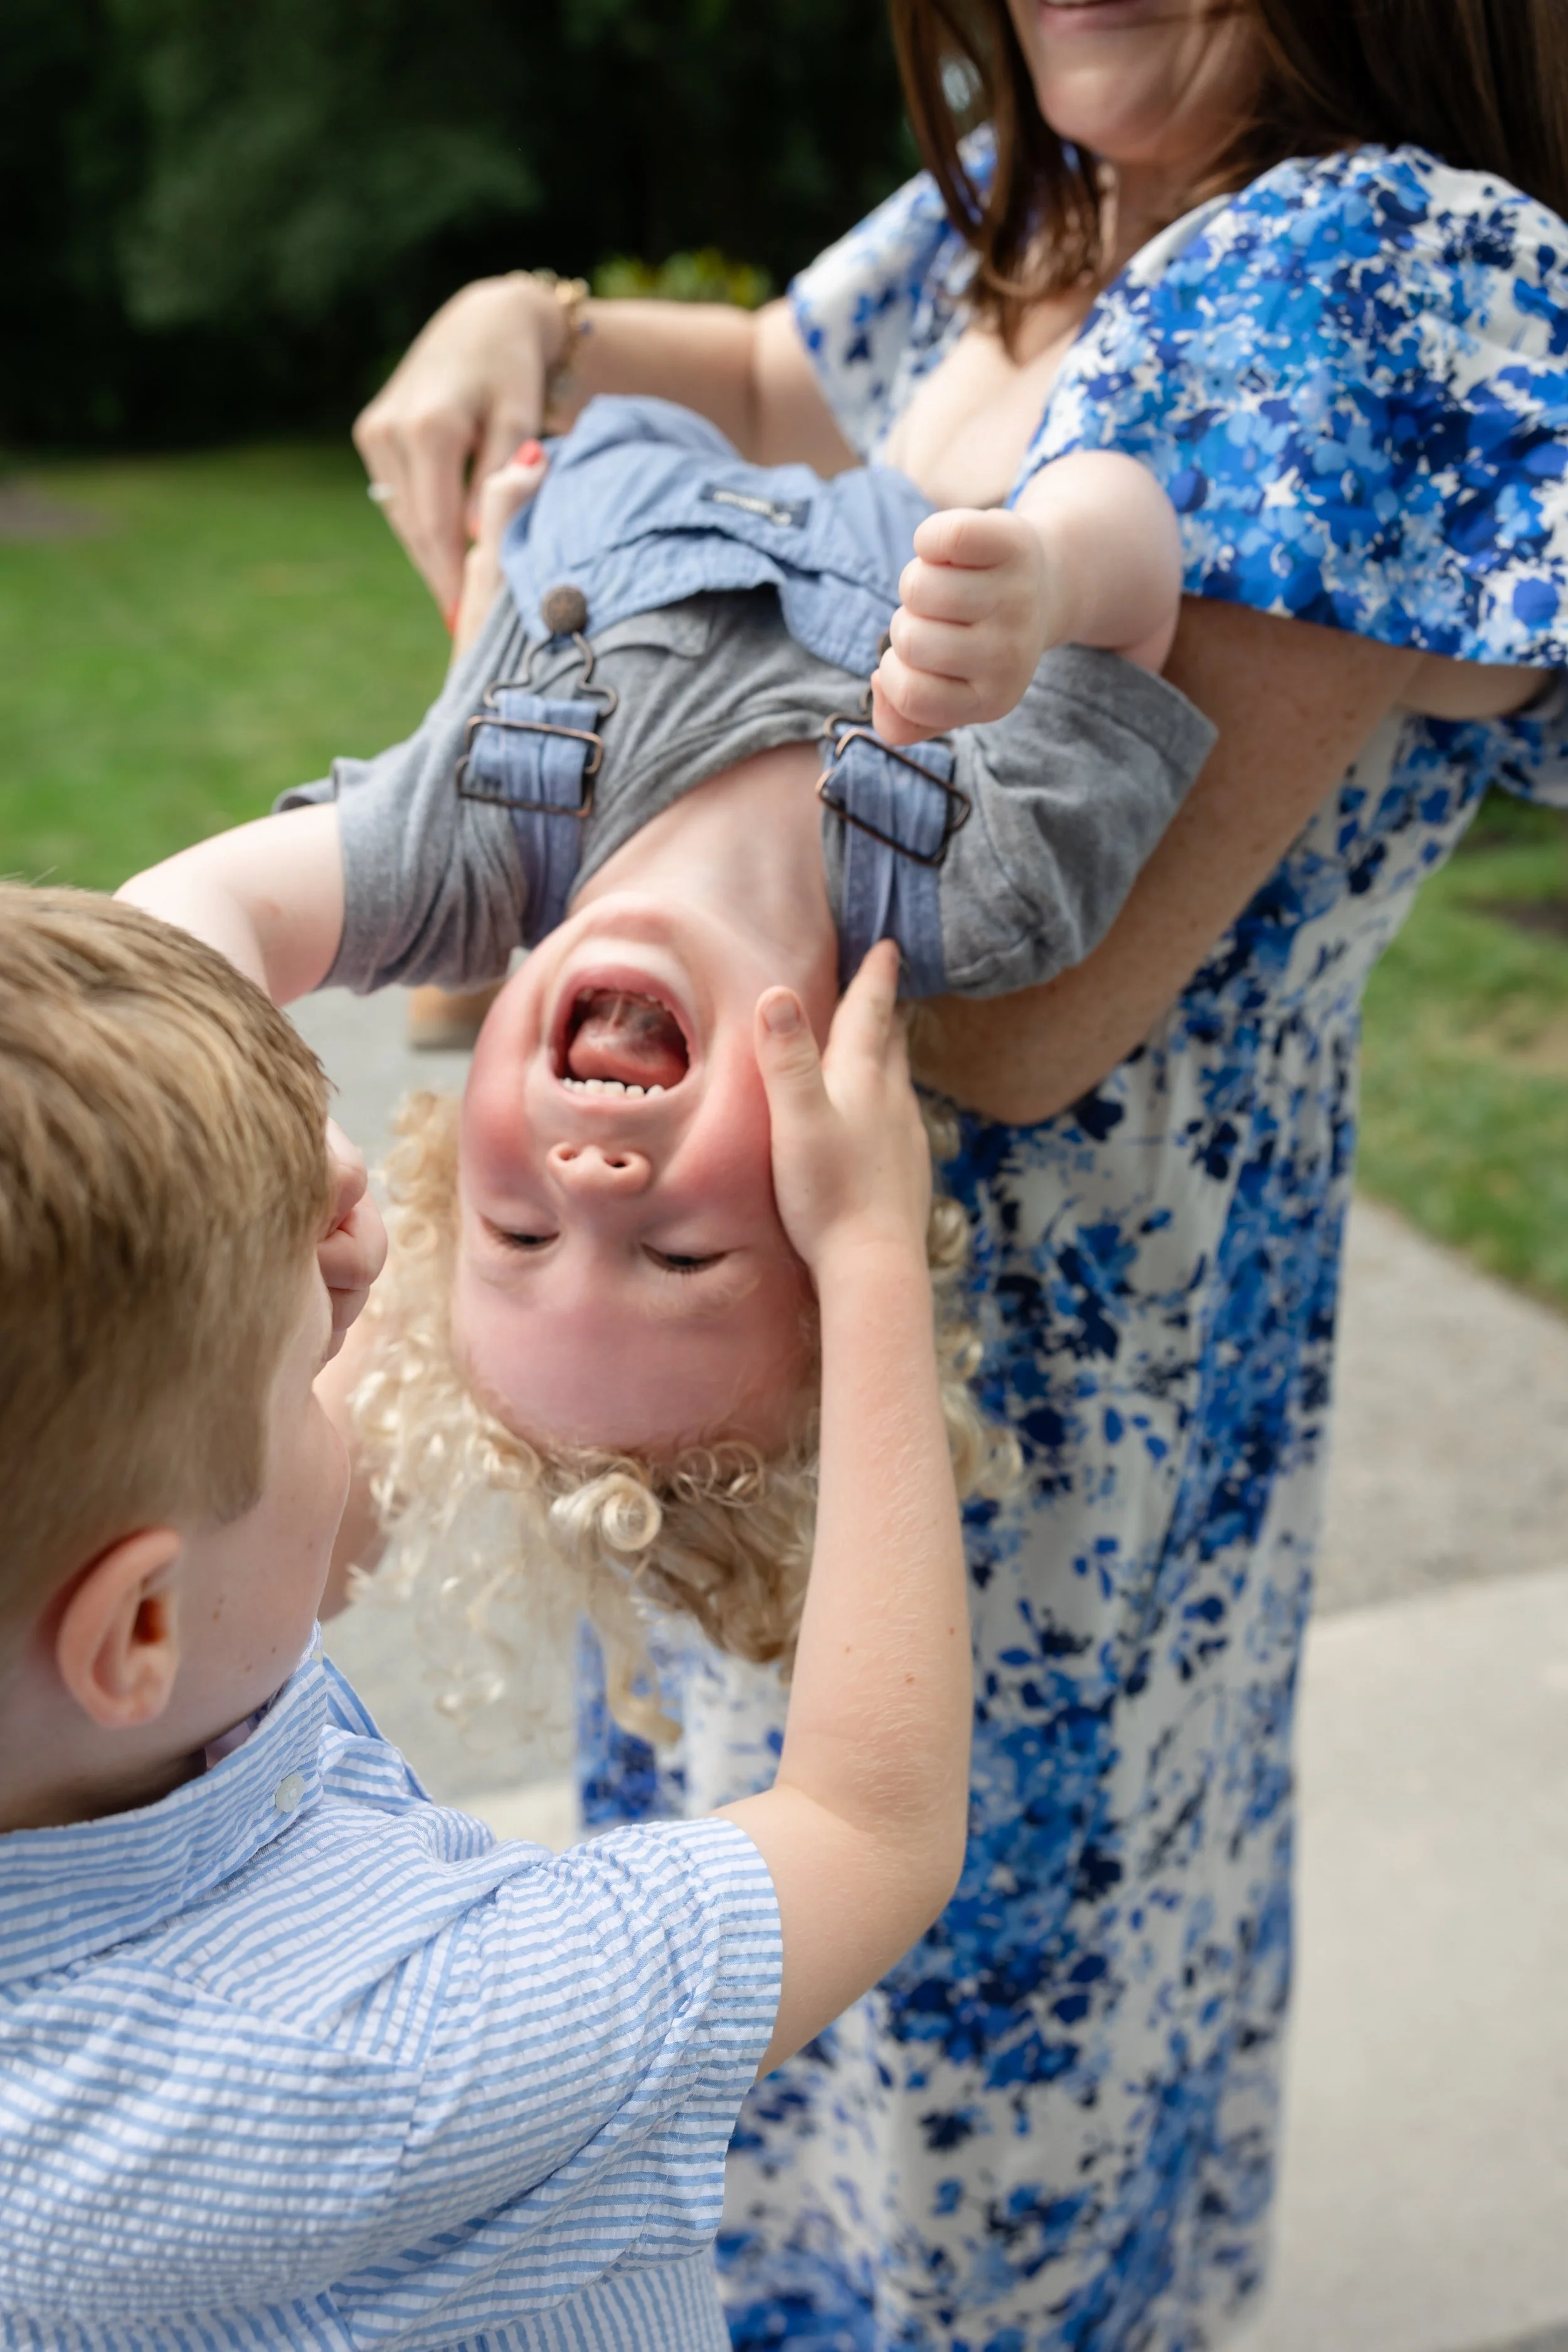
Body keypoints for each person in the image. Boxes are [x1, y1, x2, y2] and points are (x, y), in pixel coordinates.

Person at [347, 4, 1568, 2344]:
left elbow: (1005, 1019)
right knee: (755, 2023)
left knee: (941, 2137)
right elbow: (784, 383)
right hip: (754, 1362)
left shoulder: (1365, 265)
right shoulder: (1054, 191)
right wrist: (535, 322)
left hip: (1012, 1433)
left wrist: (561, 718)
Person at [119, 393, 1212, 1719]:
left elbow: (164, 936)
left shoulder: (469, 853)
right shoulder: (989, 886)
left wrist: (268, 1138)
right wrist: (1049, 573)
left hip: (607, 442)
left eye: (516, 1232)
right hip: (916, 437)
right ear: (834, 1188)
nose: (587, 1177)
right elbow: (1145, 555)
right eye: (678, 1259)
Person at [0, 886, 980, 2348]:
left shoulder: (85, 1705)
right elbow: (868, 1826)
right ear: (133, 1630)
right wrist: (867, 1254)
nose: (357, 1291)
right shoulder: (357, 2069)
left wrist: (318, 1201)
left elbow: (257, 1537)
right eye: (300, 1369)